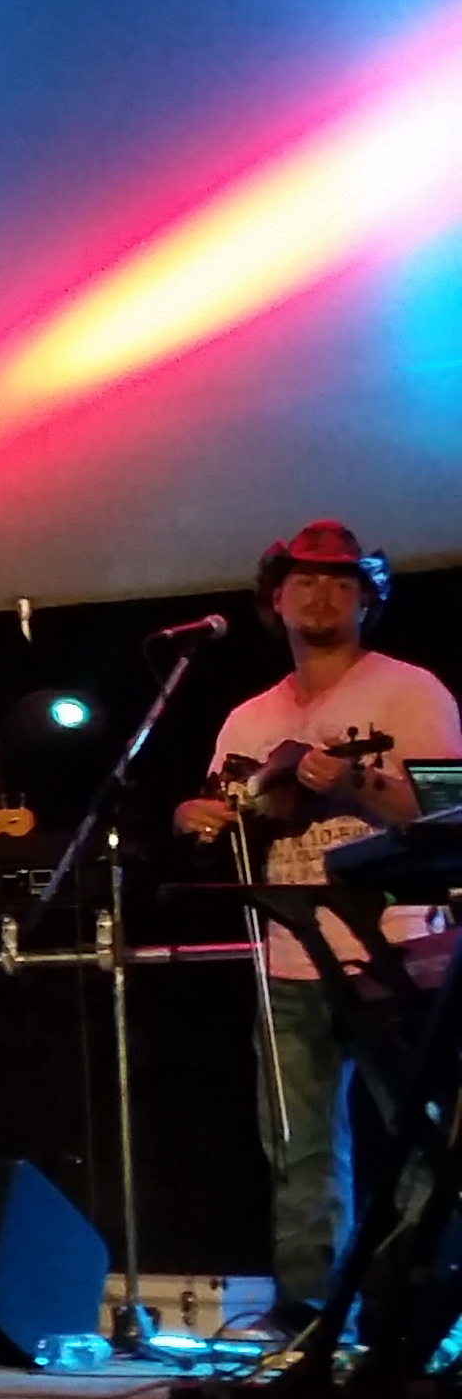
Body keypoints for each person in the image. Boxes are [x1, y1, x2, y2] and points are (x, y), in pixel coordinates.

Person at [173, 521, 460, 1343]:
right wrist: (193, 816)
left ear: (368, 599)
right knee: (296, 1145)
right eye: (304, 580)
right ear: (276, 598)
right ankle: (306, 1309)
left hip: (395, 949)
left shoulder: (411, 691)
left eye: (342, 582)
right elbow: (223, 813)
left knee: (419, 1138)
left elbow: (448, 812)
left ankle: (420, 1312)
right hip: (289, 953)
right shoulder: (248, 717)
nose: (322, 595)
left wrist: (357, 785)